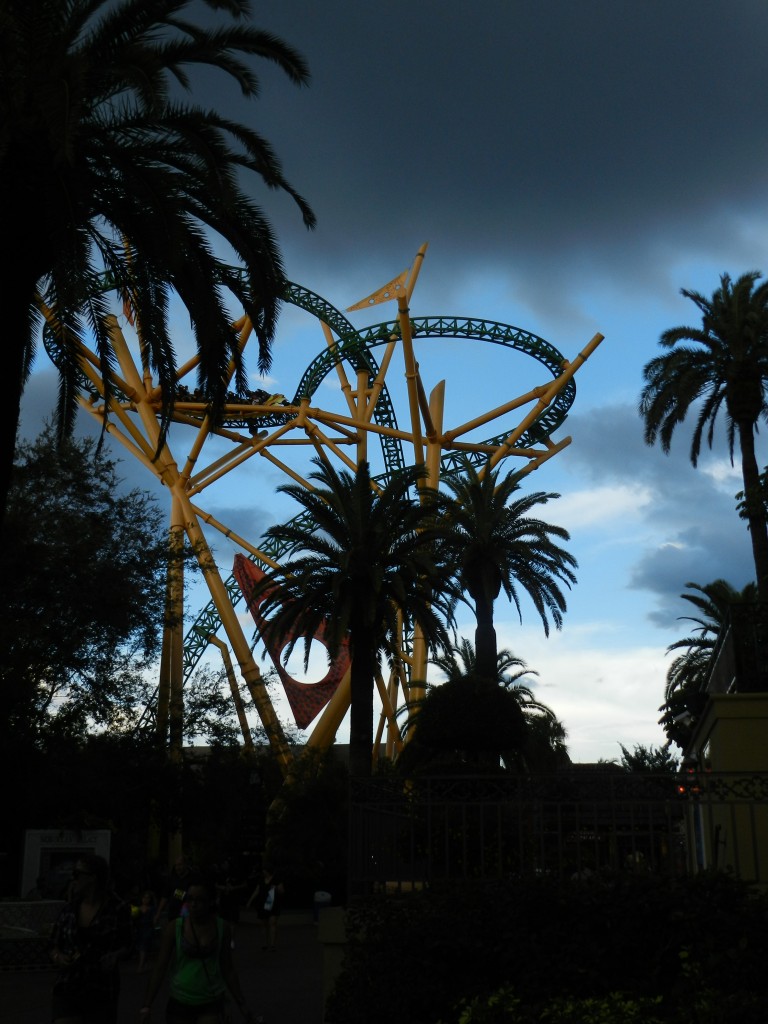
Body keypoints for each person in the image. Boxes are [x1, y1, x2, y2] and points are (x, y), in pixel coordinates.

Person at [140, 873, 257, 1023]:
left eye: (200, 900)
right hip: (180, 999)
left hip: (211, 999)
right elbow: (160, 967)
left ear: (210, 901)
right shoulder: (175, 927)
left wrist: (242, 1003)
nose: (193, 905)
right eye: (190, 899)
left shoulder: (222, 928)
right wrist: (146, 1005)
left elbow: (228, 968)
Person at [49, 852, 132, 1024]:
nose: (73, 879)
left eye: (77, 874)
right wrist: (59, 957)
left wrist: (114, 956)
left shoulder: (117, 908)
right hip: (69, 984)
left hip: (100, 988)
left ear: (92, 878)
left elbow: (129, 943)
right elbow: (53, 944)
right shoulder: (70, 908)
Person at [246, 865, 284, 951]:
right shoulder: (261, 879)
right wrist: (250, 901)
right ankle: (265, 943)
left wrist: (276, 888)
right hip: (262, 903)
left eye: (264, 870)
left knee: (272, 923)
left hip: (273, 903)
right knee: (263, 924)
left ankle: (272, 944)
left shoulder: (276, 879)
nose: (263, 872)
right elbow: (257, 890)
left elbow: (282, 890)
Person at [154, 853, 194, 926]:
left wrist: (177, 893)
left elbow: (195, 895)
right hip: (173, 914)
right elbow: (165, 896)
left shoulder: (193, 878)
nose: (177, 867)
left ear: (186, 864)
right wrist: (158, 913)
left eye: (180, 865)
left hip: (188, 915)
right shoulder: (172, 878)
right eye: (176, 865)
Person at [134, 889, 158, 973]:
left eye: (147, 898)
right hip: (140, 929)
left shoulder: (152, 908)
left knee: (143, 947)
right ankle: (143, 964)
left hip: (148, 928)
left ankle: (140, 966)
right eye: (144, 897)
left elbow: (154, 919)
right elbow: (133, 919)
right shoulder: (137, 908)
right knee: (141, 947)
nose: (145, 899)